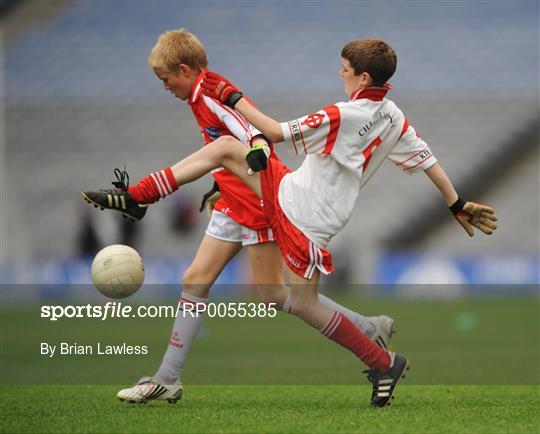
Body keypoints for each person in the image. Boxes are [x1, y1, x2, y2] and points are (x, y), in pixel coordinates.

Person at [82, 30, 397, 405]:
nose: (165, 88)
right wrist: (222, 183)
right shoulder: (203, 93)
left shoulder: (208, 96)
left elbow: (250, 137)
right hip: (236, 199)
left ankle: (139, 197)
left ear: (184, 70)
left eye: (166, 80)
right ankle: (366, 327)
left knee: (258, 291)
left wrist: (249, 160)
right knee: (259, 292)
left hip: (255, 201)